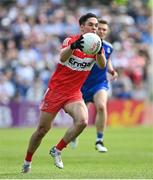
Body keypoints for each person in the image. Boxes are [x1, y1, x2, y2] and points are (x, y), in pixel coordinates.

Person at [21, 13, 106, 173]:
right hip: (56, 91)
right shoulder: (71, 41)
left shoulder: (95, 46)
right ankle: (27, 160)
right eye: (91, 25)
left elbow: (102, 65)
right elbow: (62, 56)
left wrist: (100, 50)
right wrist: (74, 47)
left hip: (73, 94)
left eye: (96, 25)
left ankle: (58, 149)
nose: (94, 28)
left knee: (82, 121)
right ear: (82, 27)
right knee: (41, 131)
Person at [70, 20, 118, 152]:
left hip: (99, 83)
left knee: (101, 107)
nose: (101, 31)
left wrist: (112, 70)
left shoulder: (108, 47)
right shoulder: (86, 44)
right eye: (100, 28)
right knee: (80, 118)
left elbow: (107, 61)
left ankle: (99, 140)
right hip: (83, 85)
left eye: (104, 29)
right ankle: (74, 135)